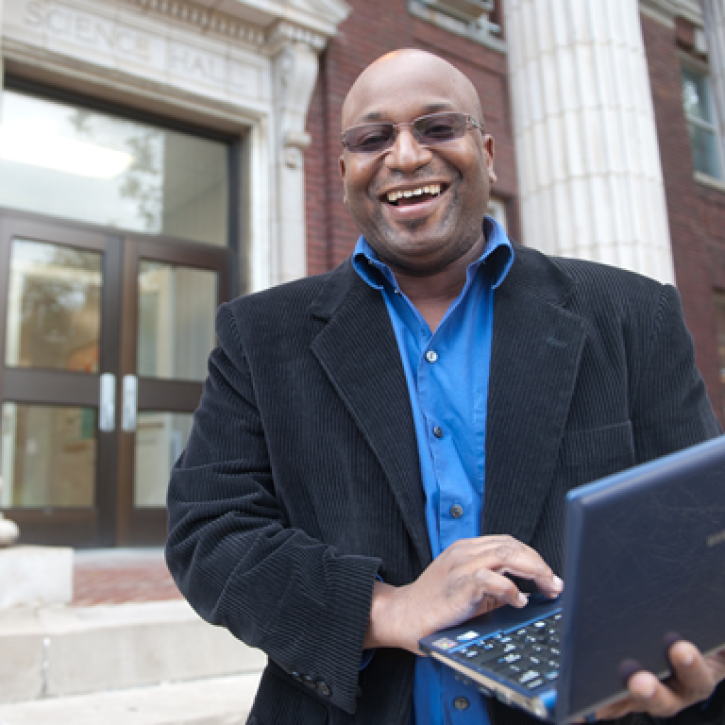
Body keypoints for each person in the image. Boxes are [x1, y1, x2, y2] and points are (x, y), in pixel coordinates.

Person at [165, 49, 725, 725]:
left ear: (487, 153)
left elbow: (702, 527)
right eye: (372, 139)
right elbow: (210, 533)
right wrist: (386, 607)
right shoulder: (259, 334)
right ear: (343, 171)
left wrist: (706, 659)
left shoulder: (632, 314)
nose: (404, 157)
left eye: (436, 127)